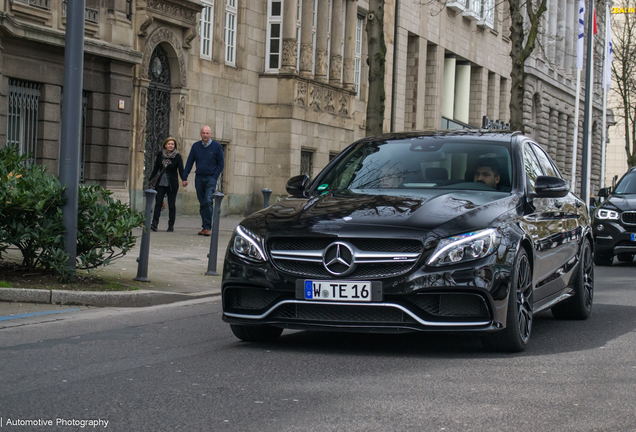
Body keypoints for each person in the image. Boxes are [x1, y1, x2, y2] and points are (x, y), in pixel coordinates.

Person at [182, 125, 225, 236]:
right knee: (202, 203)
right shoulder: (196, 146)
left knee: (208, 200)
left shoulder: (217, 146)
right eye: (203, 133)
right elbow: (190, 162)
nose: (205, 135)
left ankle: (207, 227)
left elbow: (221, 163)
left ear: (210, 134)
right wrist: (184, 177)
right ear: (200, 134)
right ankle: (204, 226)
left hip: (211, 177)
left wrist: (215, 177)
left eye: (207, 133)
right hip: (199, 178)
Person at [149, 137, 184, 232]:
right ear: (165, 145)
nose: (170, 145)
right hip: (160, 183)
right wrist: (150, 180)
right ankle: (154, 223)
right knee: (158, 203)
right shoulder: (160, 155)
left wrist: (184, 179)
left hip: (172, 184)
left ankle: (171, 225)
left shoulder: (177, 156)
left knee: (171, 204)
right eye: (169, 144)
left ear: (174, 146)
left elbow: (181, 170)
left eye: (172, 144)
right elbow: (156, 168)